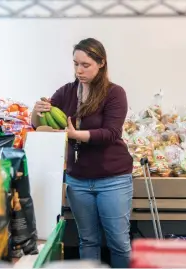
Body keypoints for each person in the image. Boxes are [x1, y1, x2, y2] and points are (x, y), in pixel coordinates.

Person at [31, 38, 133, 268]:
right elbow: (39, 125)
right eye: (75, 64)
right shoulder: (66, 92)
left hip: (113, 179)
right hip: (78, 180)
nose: (79, 70)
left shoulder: (115, 93)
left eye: (85, 64)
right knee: (87, 240)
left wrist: (76, 135)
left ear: (101, 63)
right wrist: (36, 112)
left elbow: (111, 133)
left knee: (118, 242)